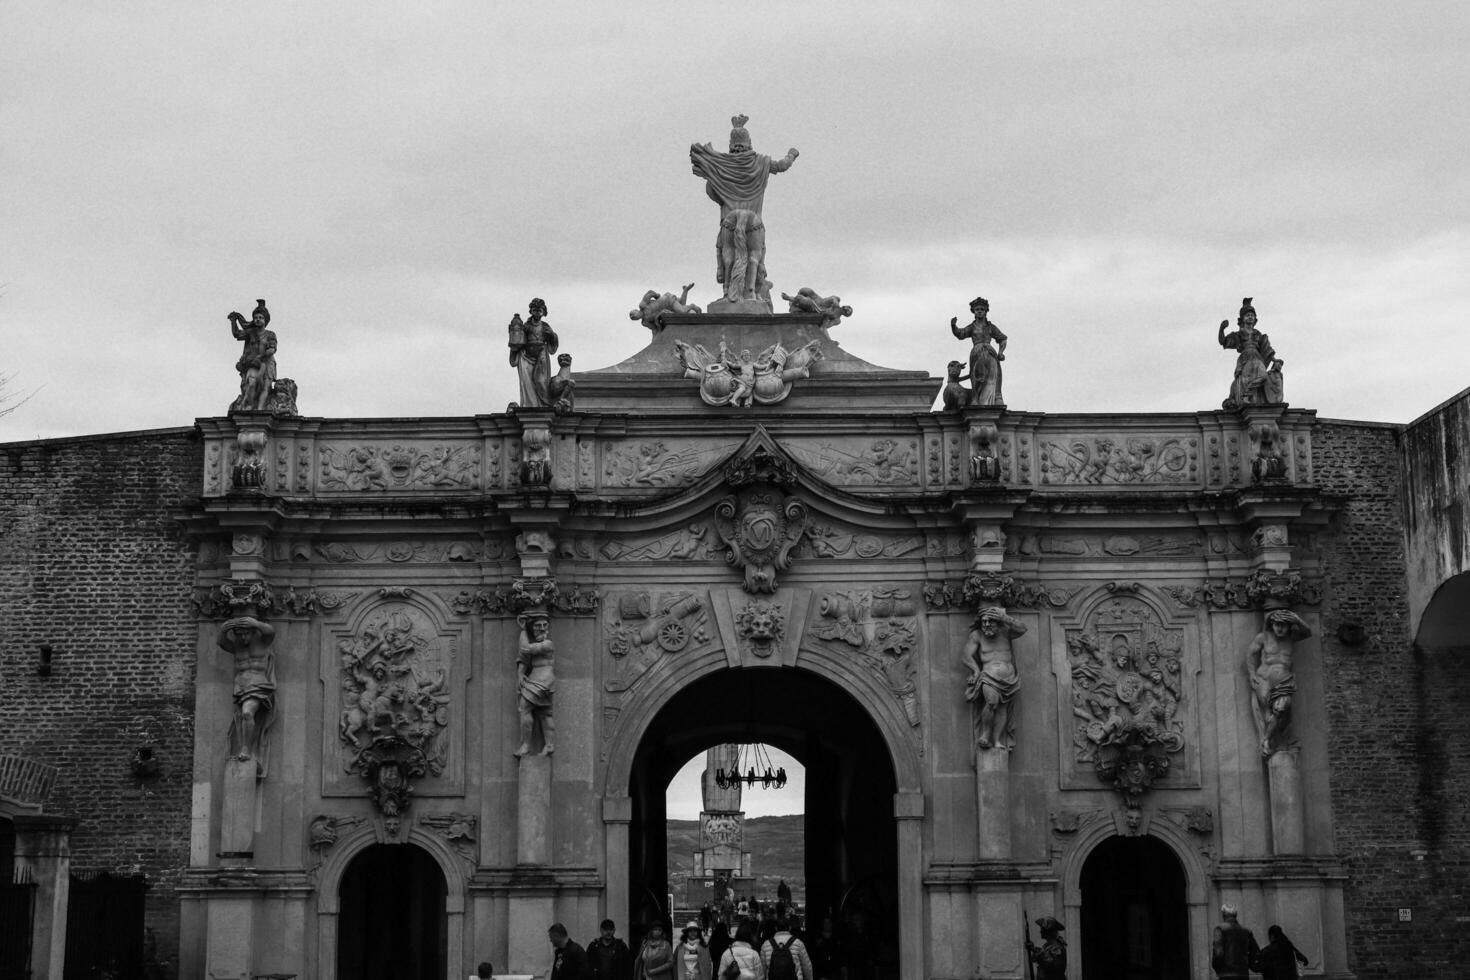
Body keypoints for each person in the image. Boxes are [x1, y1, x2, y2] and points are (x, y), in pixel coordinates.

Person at [690, 115, 799, 307]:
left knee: (727, 255)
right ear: (749, 143)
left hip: (729, 222)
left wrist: (720, 188)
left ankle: (727, 292)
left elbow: (711, 191)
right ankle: (750, 293)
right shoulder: (761, 162)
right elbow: (782, 166)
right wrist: (792, 154)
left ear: (732, 145)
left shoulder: (722, 165)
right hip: (755, 222)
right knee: (755, 257)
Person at [1246, 609, 1312, 757]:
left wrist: (1296, 618)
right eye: (1277, 624)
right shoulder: (1263, 637)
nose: (1280, 628)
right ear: (1272, 624)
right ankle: (1271, 739)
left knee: (1280, 709)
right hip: (1264, 681)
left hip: (1284, 682)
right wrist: (1251, 675)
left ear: (1289, 626)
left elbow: (1308, 633)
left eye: (1284, 625)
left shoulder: (1291, 637)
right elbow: (1251, 654)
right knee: (1268, 713)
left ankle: (1267, 739)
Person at [962, 607, 1027, 750]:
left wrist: (1006, 618)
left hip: (1009, 679)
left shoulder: (1006, 632)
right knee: (992, 702)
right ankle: (985, 734)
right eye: (984, 622)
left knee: (1002, 708)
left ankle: (996, 740)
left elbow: (1023, 629)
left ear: (998, 622)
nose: (986, 625)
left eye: (990, 622)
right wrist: (975, 670)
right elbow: (966, 656)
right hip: (988, 675)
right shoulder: (977, 635)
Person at [217, 615, 277, 763]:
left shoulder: (263, 642)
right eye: (239, 634)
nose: (243, 637)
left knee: (247, 712)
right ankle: (244, 747)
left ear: (253, 631)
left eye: (246, 633)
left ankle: (245, 749)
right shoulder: (237, 646)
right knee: (244, 716)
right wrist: (224, 630)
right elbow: (221, 643)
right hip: (241, 686)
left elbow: (270, 632)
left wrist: (256, 623)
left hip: (258, 684)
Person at [1217, 297, 1276, 409]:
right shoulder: (1239, 334)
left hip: (1257, 358)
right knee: (1243, 381)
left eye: (1252, 315)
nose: (1250, 317)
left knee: (1263, 377)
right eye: (1247, 315)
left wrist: (1275, 360)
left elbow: (1267, 348)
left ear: (1255, 319)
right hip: (1245, 358)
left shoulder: (1259, 334)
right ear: (1242, 319)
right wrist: (1222, 329)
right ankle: (1245, 396)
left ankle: (1248, 394)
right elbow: (1223, 341)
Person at [949, 297, 1007, 405]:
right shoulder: (972, 326)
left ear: (985, 312)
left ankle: (996, 398)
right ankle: (976, 399)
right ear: (974, 312)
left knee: (992, 376)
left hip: (990, 352)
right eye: (977, 309)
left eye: (982, 309)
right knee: (976, 377)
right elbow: (960, 334)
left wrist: (1001, 352)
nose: (979, 311)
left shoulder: (991, 327)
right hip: (977, 353)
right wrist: (953, 326)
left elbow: (1003, 339)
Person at [514, 613, 556, 757]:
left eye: (545, 625)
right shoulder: (539, 644)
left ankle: (526, 745)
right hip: (539, 678)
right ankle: (549, 745)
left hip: (542, 679)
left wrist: (523, 629)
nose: (542, 629)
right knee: (544, 713)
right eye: (538, 626)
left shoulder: (547, 644)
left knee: (525, 707)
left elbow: (525, 649)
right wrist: (520, 674)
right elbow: (524, 658)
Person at [227, 299, 277, 412]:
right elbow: (237, 334)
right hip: (253, 364)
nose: (258, 319)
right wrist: (233, 321)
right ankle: (248, 405)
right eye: (256, 318)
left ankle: (260, 409)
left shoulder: (270, 334)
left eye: (260, 317)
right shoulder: (250, 333)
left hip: (267, 363)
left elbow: (272, 350)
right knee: (252, 382)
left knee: (266, 387)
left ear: (265, 320)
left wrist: (260, 357)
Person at [509, 297, 559, 409]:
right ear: (531, 311)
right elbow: (518, 340)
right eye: (535, 310)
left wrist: (552, 335)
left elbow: (553, 342)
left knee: (541, 381)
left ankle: (545, 405)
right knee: (527, 382)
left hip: (541, 355)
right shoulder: (526, 326)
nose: (537, 313)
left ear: (543, 312)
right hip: (526, 356)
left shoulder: (545, 326)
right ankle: (531, 405)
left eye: (539, 310)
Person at [1211, 903, 1260, 980]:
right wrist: (1249, 965)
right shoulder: (1246, 931)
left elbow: (1218, 953)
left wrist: (1217, 968)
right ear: (1235, 915)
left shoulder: (1220, 929)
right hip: (1242, 973)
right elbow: (1255, 951)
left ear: (1223, 915)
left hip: (1226, 974)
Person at [760, 916, 814, 980]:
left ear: (776, 928)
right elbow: (806, 966)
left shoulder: (766, 944)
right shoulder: (798, 943)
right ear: (790, 928)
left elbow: (762, 970)